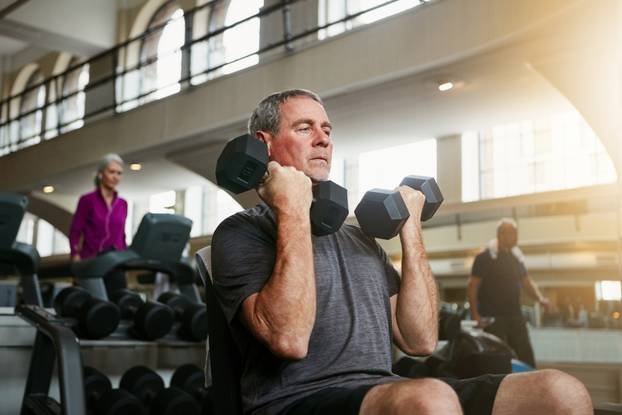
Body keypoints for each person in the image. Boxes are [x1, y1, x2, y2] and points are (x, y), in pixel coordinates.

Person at [211, 89, 592, 415]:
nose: (324, 139)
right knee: (430, 399)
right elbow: (290, 339)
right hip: (296, 400)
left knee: (560, 392)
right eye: (305, 128)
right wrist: (292, 209)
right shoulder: (241, 233)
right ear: (263, 145)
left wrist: (411, 228)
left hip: (381, 389)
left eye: (327, 130)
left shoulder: (359, 239)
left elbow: (421, 340)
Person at [467, 218, 550, 368]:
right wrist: (475, 315)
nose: (516, 236)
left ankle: (530, 387)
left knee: (526, 357)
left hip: (515, 316)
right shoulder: (484, 258)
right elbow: (472, 286)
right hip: (493, 318)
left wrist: (540, 299)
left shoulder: (516, 259)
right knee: (499, 360)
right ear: (501, 234)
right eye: (512, 232)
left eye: (516, 232)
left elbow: (527, 282)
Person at [69, 153, 128, 262]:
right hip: (92, 260)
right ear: (100, 174)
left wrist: (125, 256)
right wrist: (75, 254)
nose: (115, 177)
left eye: (119, 173)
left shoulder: (123, 204)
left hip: (116, 262)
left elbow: (122, 235)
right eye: (111, 172)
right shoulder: (87, 200)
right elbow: (75, 231)